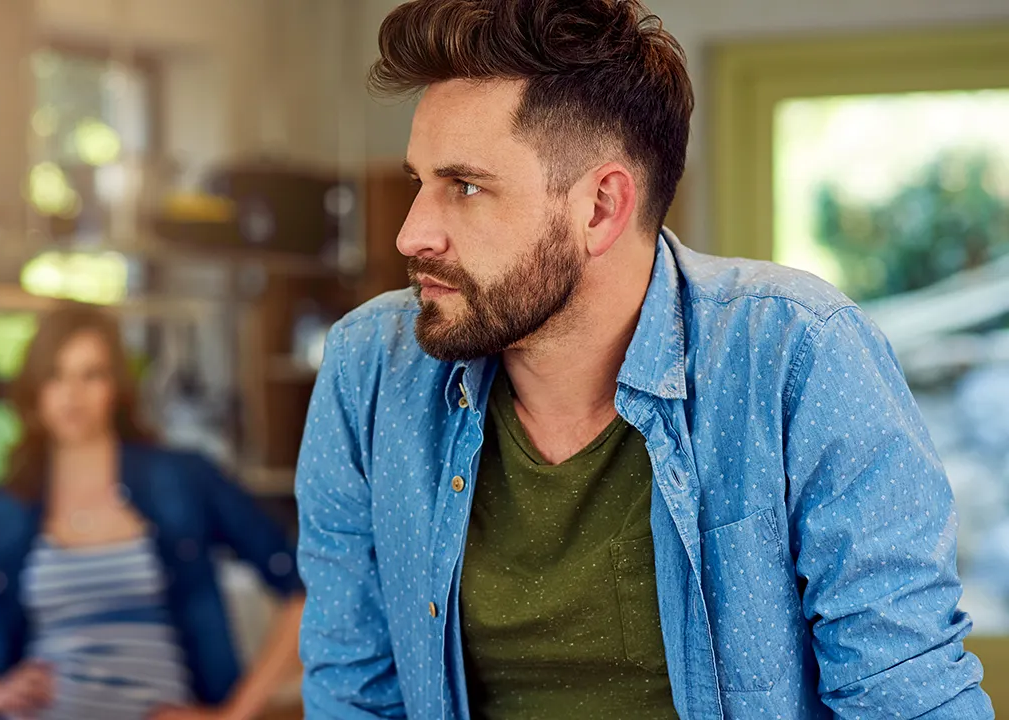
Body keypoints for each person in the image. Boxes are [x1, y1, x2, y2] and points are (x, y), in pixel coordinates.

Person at [294, 1, 994, 718]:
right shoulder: (369, 369)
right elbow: (352, 690)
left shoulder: (798, 355)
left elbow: (903, 693)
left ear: (600, 208)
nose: (412, 234)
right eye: (420, 182)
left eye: (464, 186)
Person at [0, 301, 305, 720]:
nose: (72, 395)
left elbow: (304, 587)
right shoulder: (0, 509)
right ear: (35, 389)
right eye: (55, 376)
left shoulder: (182, 480)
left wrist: (233, 717)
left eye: (90, 375)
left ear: (117, 386)